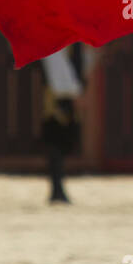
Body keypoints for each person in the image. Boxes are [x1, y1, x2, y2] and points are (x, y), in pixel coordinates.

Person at [39, 45, 83, 204]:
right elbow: (55, 65)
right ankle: (57, 188)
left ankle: (58, 188)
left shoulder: (75, 41)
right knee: (55, 141)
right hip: (58, 94)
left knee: (63, 142)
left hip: (67, 93)